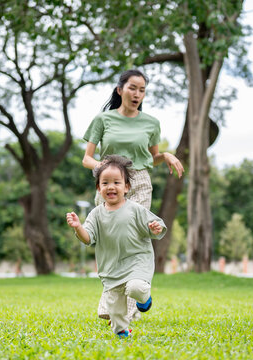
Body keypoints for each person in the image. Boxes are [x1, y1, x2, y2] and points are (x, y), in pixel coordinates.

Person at [82, 69, 184, 321]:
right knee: (108, 239)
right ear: (120, 90)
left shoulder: (151, 123)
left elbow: (152, 158)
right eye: (132, 88)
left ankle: (127, 310)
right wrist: (105, 173)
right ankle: (115, 294)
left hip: (138, 182)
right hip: (109, 182)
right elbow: (86, 158)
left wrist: (167, 155)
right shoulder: (103, 120)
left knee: (135, 236)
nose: (137, 94)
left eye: (142, 90)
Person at [66, 155, 167, 338]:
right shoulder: (96, 214)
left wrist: (155, 227)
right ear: (99, 188)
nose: (110, 187)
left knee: (136, 288)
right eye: (105, 183)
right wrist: (78, 227)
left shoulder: (135, 209)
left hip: (137, 261)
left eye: (116, 182)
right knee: (115, 310)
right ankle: (122, 333)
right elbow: (88, 238)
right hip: (111, 268)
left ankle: (144, 301)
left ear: (126, 187)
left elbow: (155, 228)